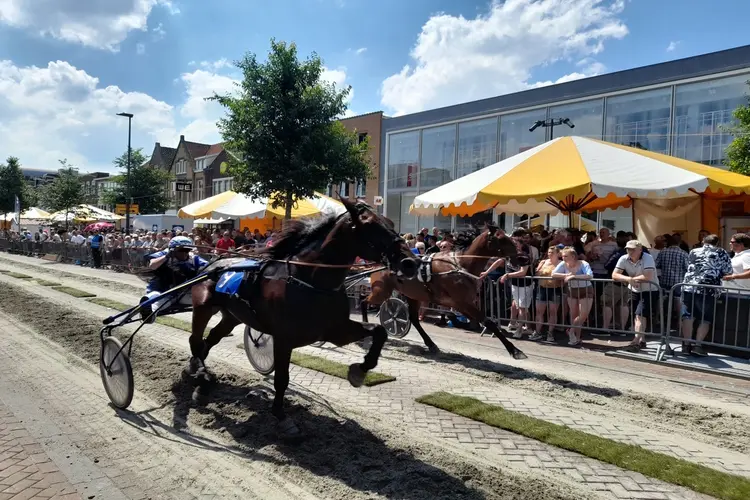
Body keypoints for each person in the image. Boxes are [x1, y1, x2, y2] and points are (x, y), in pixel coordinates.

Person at [140, 236, 209, 322]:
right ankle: (148, 310)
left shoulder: (193, 258)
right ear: (172, 250)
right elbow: (152, 265)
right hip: (163, 290)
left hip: (182, 293)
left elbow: (208, 266)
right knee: (159, 299)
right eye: (181, 250)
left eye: (187, 250)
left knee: (204, 298)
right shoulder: (164, 254)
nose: (184, 253)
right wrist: (166, 257)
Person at [612, 240, 659, 352]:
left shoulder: (648, 258)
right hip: (634, 290)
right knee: (637, 316)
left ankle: (635, 341)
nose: (630, 251)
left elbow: (648, 276)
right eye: (628, 249)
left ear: (640, 249)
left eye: (633, 249)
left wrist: (633, 280)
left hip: (650, 290)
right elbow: (614, 274)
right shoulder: (624, 258)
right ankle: (642, 340)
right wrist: (629, 279)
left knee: (640, 315)